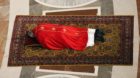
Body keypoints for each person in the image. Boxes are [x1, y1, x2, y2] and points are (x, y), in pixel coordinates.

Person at [28, 23, 105, 51]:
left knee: (75, 40)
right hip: (62, 29)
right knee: (77, 31)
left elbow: (48, 44)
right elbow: (51, 25)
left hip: (61, 36)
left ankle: (95, 37)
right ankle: (96, 32)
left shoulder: (40, 37)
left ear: (33, 36)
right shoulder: (39, 26)